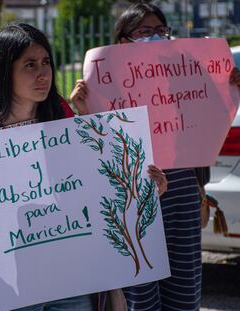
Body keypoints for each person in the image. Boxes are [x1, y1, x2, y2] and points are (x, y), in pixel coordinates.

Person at [0, 23, 167, 311]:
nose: (43, 73)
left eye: (46, 62)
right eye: (30, 64)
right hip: (15, 289)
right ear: (4, 71)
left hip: (74, 281)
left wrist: (145, 191)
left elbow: (104, 194)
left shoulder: (73, 131)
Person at [70, 3, 240, 311]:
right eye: (145, 32)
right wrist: (83, 112)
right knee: (141, 295)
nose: (156, 37)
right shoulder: (101, 88)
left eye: (161, 30)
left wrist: (231, 89)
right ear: (122, 41)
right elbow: (93, 154)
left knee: (184, 293)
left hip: (182, 197)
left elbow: (209, 124)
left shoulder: (185, 78)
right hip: (134, 199)